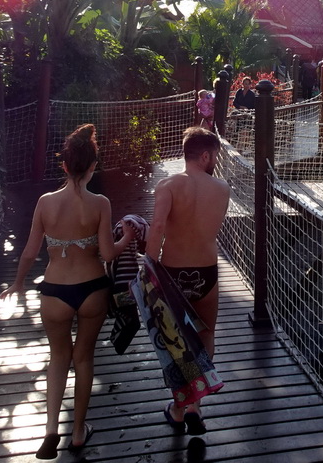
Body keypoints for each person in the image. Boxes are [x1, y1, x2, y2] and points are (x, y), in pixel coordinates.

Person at [0, 124, 135, 459]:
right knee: (84, 358)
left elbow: (31, 251)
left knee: (58, 358)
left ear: (63, 165)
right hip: (92, 290)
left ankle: (49, 431)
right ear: (93, 166)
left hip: (54, 291)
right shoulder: (100, 203)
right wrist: (128, 239)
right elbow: (107, 254)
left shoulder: (46, 202)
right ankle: (78, 432)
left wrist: (17, 283)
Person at [146, 126, 231, 434]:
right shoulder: (222, 188)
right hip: (207, 272)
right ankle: (195, 405)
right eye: (215, 157)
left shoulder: (167, 185)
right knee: (206, 335)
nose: (215, 163)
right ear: (205, 155)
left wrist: (148, 267)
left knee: (175, 342)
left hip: (173, 274)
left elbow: (157, 228)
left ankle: (180, 408)